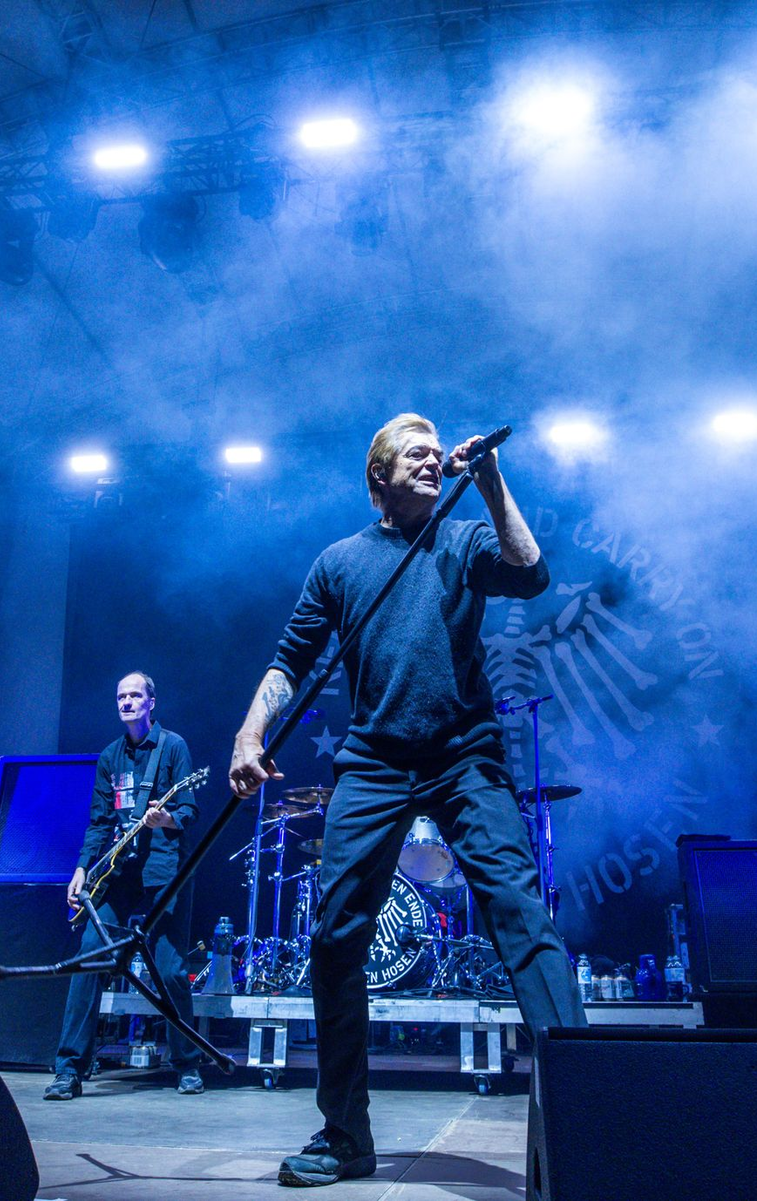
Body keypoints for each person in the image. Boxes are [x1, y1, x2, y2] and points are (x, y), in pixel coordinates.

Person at [230, 413, 587, 1188]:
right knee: (333, 936)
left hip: (463, 756)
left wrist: (489, 481)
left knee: (522, 916)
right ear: (378, 477)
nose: (433, 461)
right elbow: (289, 658)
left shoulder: (460, 541)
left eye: (437, 454)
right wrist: (250, 731)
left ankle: (587, 1113)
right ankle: (345, 1134)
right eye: (415, 455)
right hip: (375, 760)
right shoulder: (340, 562)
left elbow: (529, 573)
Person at [43, 671, 204, 1099]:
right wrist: (81, 868)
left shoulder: (173, 747)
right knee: (88, 960)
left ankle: (186, 1064)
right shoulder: (110, 756)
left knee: (169, 971)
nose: (127, 701)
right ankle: (70, 1069)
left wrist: (165, 818)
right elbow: (99, 821)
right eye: (121, 696)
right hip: (118, 873)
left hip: (164, 871)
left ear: (152, 703)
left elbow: (188, 810)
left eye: (135, 695)